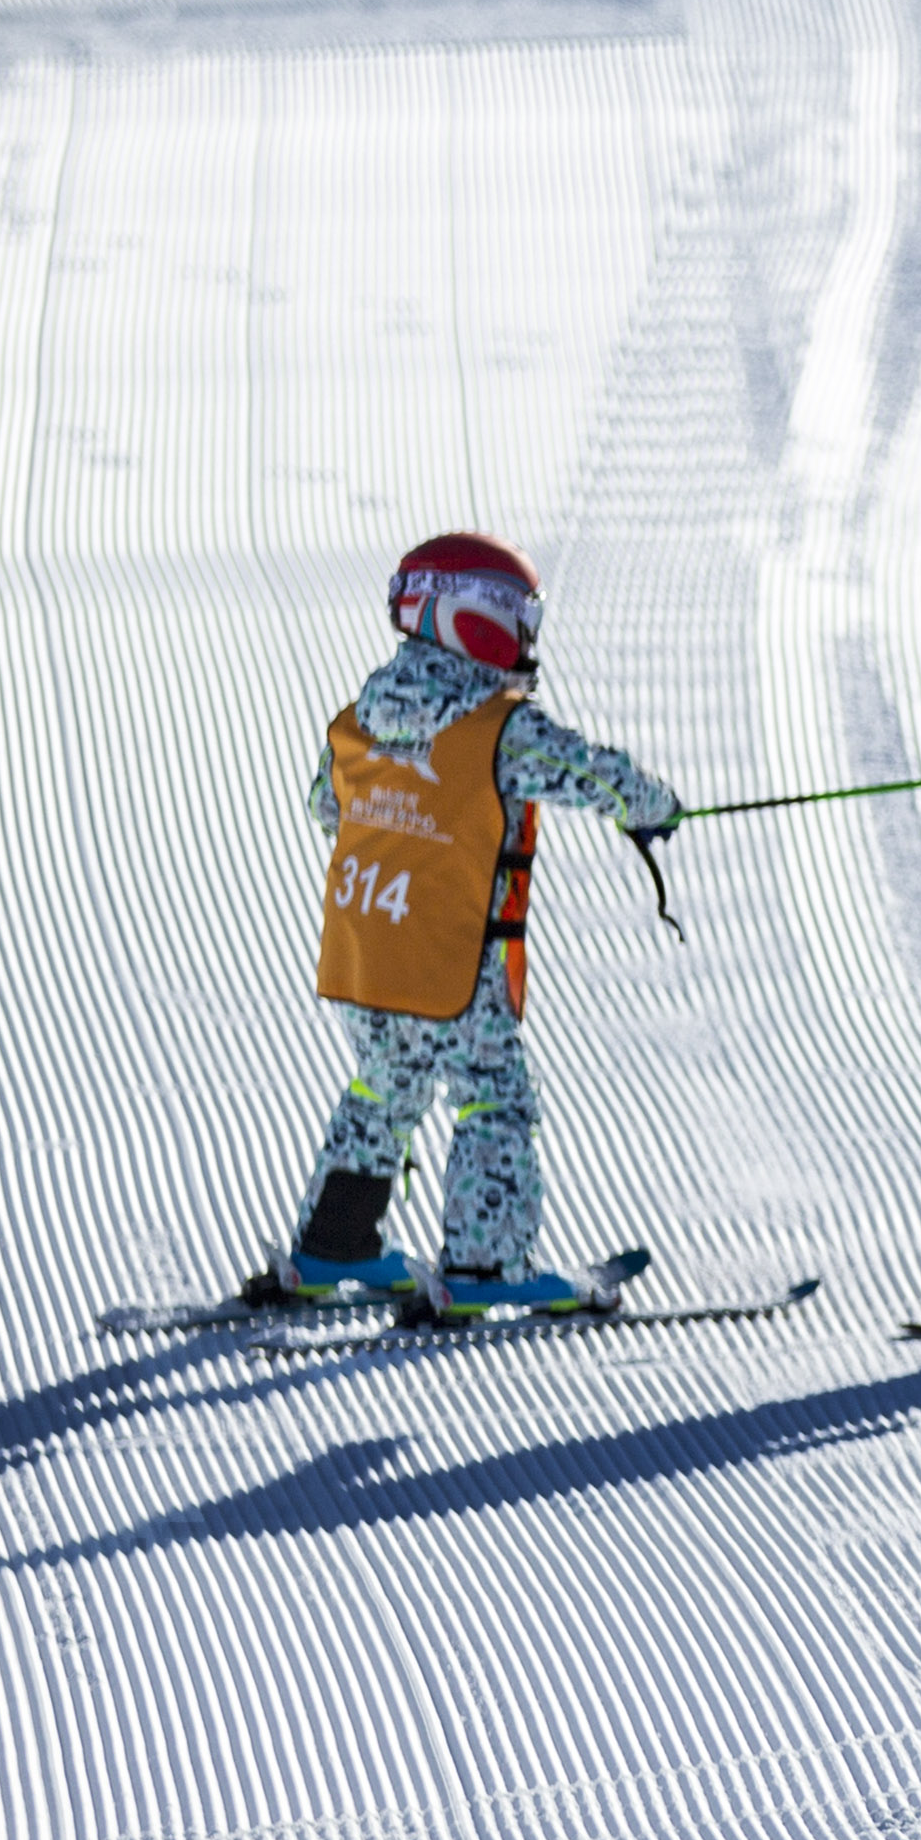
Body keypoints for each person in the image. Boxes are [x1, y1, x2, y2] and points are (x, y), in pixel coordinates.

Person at [251, 533, 683, 1318]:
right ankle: (485, 1267)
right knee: (494, 1096)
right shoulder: (498, 728)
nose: (526, 635)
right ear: (469, 619)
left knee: (385, 1088)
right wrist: (653, 807)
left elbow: (325, 807)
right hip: (452, 965)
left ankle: (333, 1246)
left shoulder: (360, 718)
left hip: (369, 956)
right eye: (517, 616)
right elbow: (593, 772)